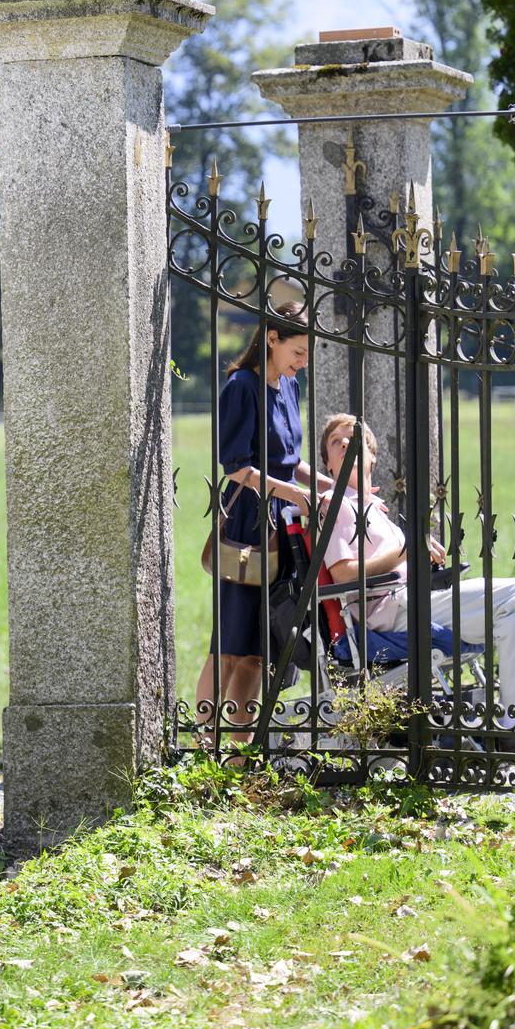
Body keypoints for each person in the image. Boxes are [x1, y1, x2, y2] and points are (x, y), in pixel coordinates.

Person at [316, 414, 515, 708]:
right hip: (389, 611)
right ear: (327, 463)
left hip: (414, 599)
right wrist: (408, 548)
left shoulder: (374, 509)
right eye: (335, 441)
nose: (345, 443)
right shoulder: (336, 504)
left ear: (373, 458)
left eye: (353, 439)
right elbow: (344, 577)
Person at [196, 314, 318, 744]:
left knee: (257, 650)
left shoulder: (290, 386)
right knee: (229, 643)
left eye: (307, 354)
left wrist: (327, 485)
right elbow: (236, 467)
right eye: (297, 352)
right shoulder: (241, 387)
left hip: (283, 529)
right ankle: (204, 748)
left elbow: (290, 459)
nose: (302, 362)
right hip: (250, 525)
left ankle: (237, 756)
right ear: (271, 339)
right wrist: (292, 493)